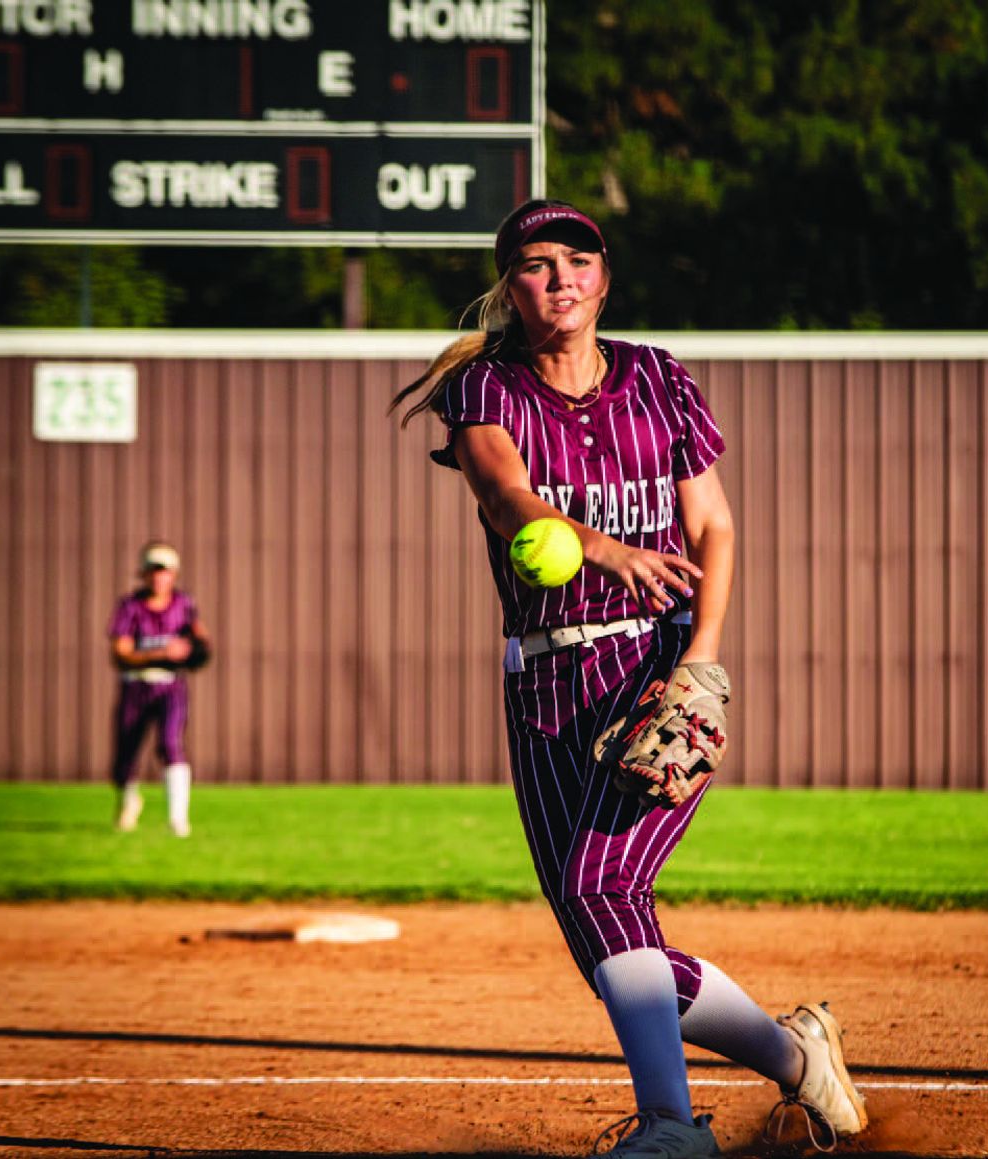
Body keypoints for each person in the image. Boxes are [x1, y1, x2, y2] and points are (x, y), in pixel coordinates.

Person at [390, 200, 869, 1157]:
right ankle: (796, 1054)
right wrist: (602, 548)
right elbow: (506, 495)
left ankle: (670, 1125)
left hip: (655, 664)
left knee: (600, 881)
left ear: (605, 277)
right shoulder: (487, 388)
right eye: (535, 262)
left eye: (578, 258)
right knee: (609, 943)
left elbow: (716, 529)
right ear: (510, 286)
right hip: (547, 683)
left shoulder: (657, 376)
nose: (560, 276)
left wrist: (702, 659)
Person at [107, 541, 211, 838]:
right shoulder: (131, 607)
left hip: (170, 687)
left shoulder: (183, 606)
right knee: (126, 755)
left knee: (170, 744)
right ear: (143, 574)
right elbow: (120, 653)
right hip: (137, 684)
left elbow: (200, 641)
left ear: (173, 574)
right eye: (152, 571)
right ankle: (128, 801)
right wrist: (161, 652)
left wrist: (195, 650)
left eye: (164, 571)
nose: (158, 578)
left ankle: (178, 819)